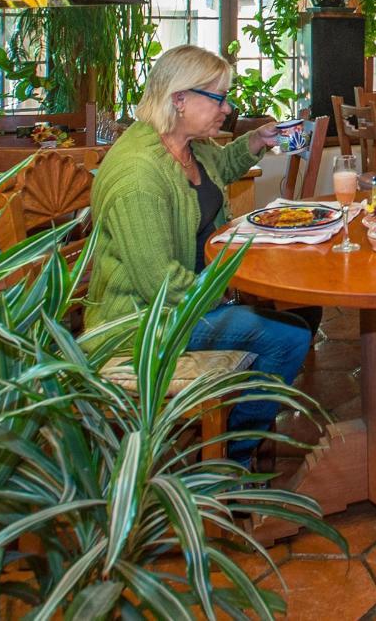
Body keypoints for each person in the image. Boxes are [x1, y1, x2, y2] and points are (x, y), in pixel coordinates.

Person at [86, 44, 316, 466]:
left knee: (305, 310)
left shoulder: (183, 142)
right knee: (288, 336)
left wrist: (256, 141)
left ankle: (238, 423)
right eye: (219, 98)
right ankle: (228, 460)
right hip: (141, 323)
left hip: (186, 299)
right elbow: (160, 286)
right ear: (179, 98)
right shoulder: (139, 176)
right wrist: (228, 291)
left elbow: (221, 169)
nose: (227, 109)